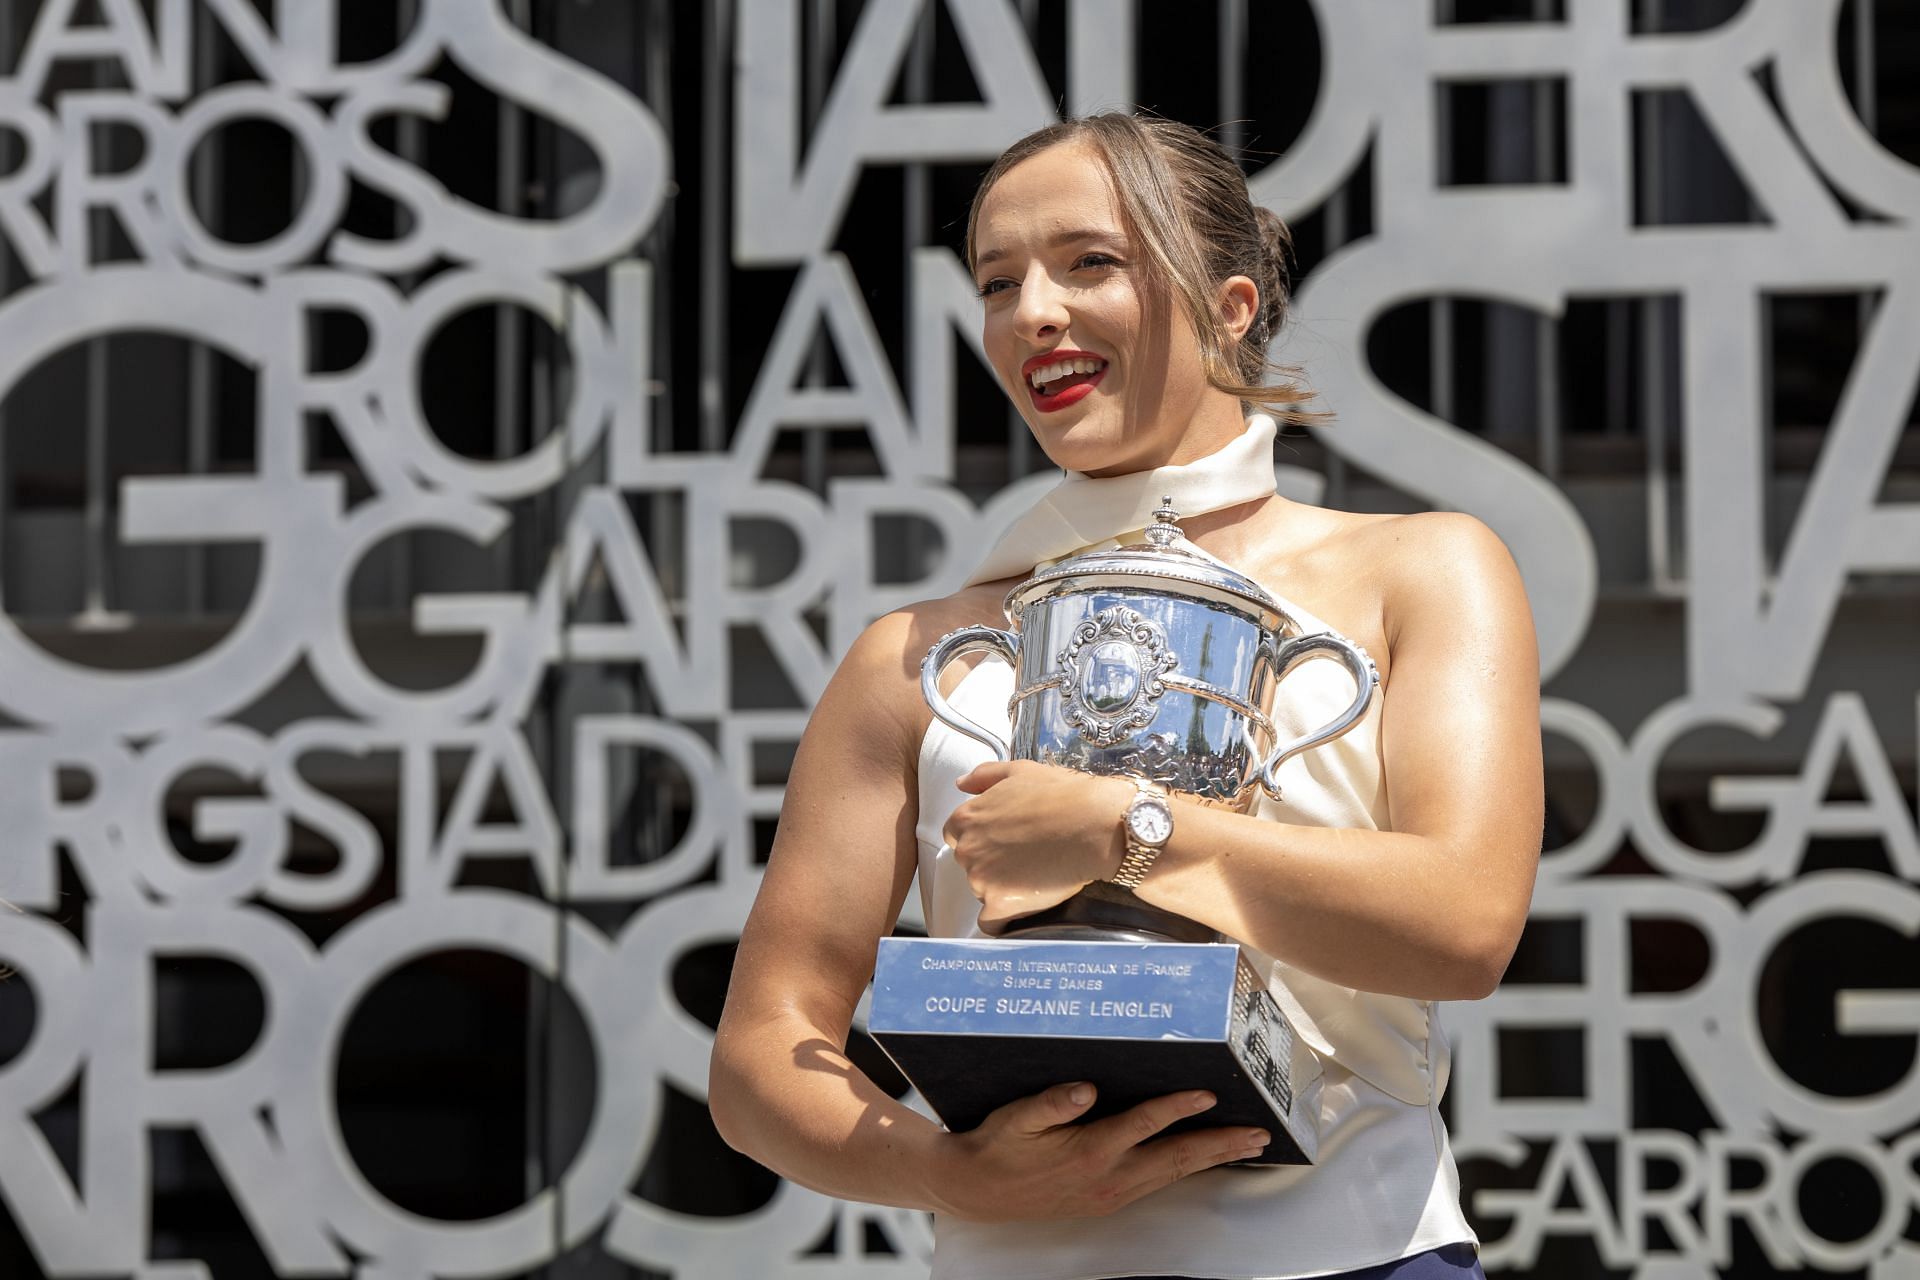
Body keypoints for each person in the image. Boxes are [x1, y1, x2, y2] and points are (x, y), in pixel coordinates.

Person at [709, 112, 1543, 1280]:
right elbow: (761, 1052)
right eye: (998, 282)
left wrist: (1123, 831)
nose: (1032, 311)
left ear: (1232, 305)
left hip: (1361, 1254)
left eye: (1090, 262)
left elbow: (1467, 922)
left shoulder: (1420, 571)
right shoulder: (915, 654)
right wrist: (940, 1171)